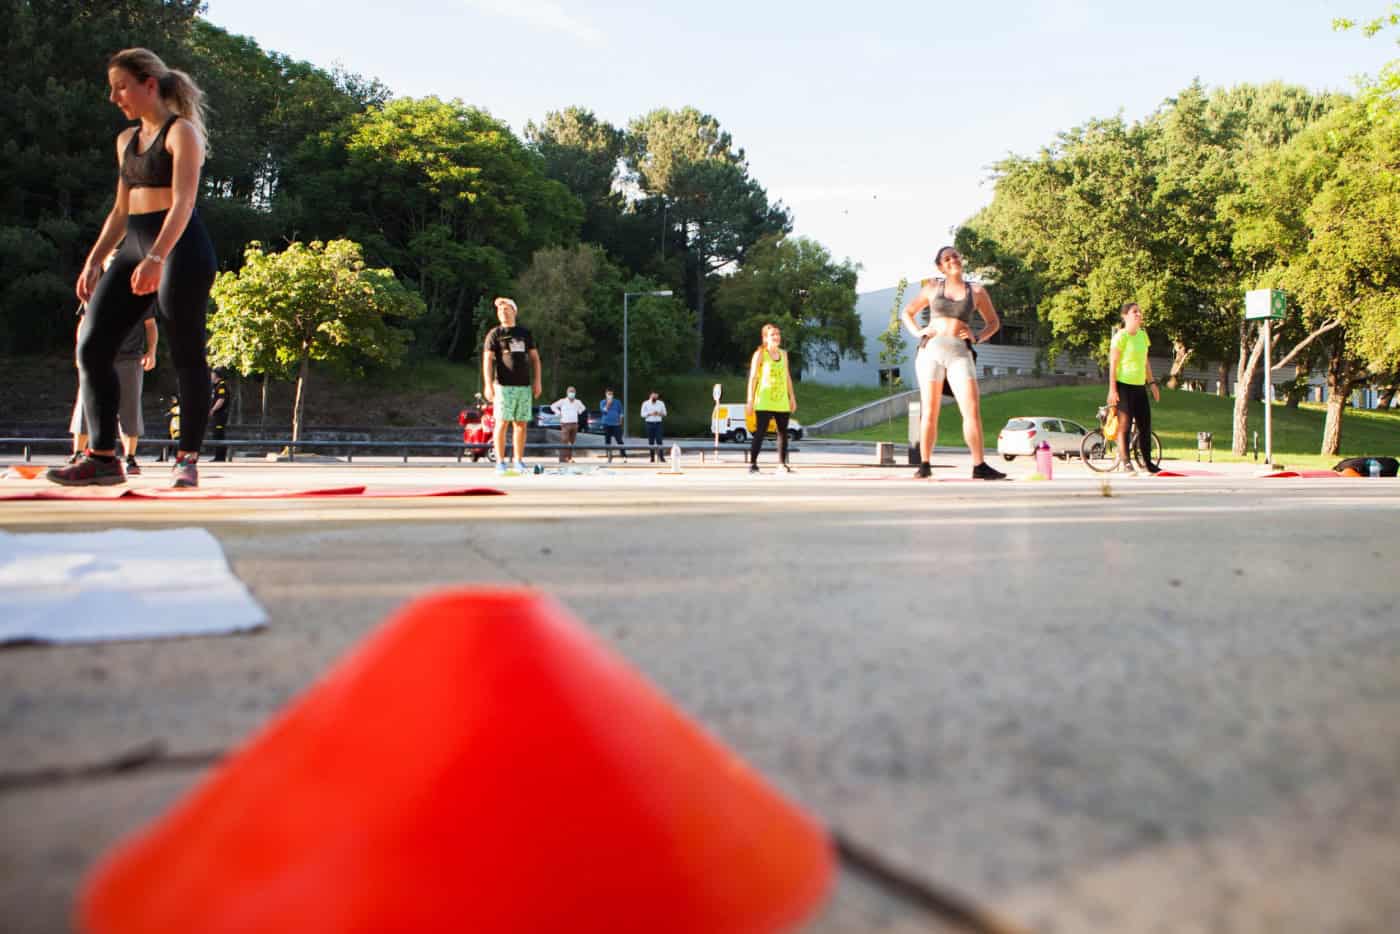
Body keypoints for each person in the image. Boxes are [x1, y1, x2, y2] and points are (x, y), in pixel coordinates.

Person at [46, 48, 217, 489]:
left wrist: (157, 257)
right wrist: (93, 261)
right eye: (112, 88)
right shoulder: (126, 140)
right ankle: (103, 456)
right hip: (133, 243)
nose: (114, 97)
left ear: (149, 85)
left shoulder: (182, 134)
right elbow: (122, 210)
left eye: (121, 86)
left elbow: (184, 203)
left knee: (186, 353)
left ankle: (187, 457)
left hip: (179, 247)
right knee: (92, 344)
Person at [901, 246, 1006, 480]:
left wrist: (977, 337)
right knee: (930, 410)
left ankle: (979, 465)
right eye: (947, 259)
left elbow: (993, 323)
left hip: (959, 353)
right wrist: (918, 331)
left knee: (971, 409)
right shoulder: (932, 288)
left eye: (955, 256)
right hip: (931, 352)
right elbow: (907, 313)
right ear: (940, 266)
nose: (953, 260)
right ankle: (925, 463)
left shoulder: (976, 291)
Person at [68, 299, 157, 476]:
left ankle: (130, 457)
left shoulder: (140, 292)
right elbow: (84, 323)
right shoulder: (95, 290)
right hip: (96, 357)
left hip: (130, 357)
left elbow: (150, 324)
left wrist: (151, 351)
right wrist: (81, 351)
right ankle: (78, 453)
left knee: (129, 408)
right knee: (86, 404)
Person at [482, 297, 541, 475]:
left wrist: (537, 381)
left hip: (523, 385)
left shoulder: (524, 333)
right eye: (500, 310)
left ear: (514, 311)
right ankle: (500, 462)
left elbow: (535, 359)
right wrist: (488, 384)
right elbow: (487, 360)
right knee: (501, 423)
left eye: (506, 309)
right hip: (503, 386)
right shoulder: (495, 334)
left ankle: (519, 460)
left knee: (521, 424)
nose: (503, 313)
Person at [1106, 301, 1161, 474]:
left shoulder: (1143, 336)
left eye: (1139, 312)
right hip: (1123, 386)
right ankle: (1126, 462)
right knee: (1125, 425)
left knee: (1145, 425)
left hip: (1139, 386)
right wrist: (1112, 390)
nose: (1138, 314)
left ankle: (1147, 462)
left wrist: (1152, 384)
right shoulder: (1120, 337)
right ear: (1125, 316)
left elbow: (1145, 362)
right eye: (1134, 312)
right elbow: (1113, 365)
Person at [746, 323, 798, 474]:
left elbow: (787, 376)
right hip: (764, 400)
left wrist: (792, 397)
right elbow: (754, 378)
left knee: (783, 432)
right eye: (772, 335)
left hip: (781, 400)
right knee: (760, 432)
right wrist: (750, 400)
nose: (776, 337)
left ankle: (782, 464)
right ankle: (753, 464)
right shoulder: (760, 354)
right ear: (765, 338)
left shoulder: (784, 354)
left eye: (778, 334)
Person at [550, 386, 587, 462]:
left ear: (575, 393)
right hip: (565, 424)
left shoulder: (578, 402)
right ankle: (562, 459)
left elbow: (583, 408)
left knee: (571, 442)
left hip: (574, 424)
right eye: (570, 392)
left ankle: (569, 458)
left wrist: (579, 411)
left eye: (573, 392)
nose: (572, 393)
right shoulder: (562, 401)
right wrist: (558, 412)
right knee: (564, 441)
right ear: (567, 393)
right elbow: (552, 406)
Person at [207, 369, 229, 461]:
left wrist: (213, 409)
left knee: (219, 434)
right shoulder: (215, 386)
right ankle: (218, 456)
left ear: (216, 375)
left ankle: (220, 456)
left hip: (220, 415)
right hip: (217, 415)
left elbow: (221, 399)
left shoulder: (221, 386)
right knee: (216, 434)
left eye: (212, 374)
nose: (211, 376)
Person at [640, 391, 667, 462]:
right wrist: (650, 414)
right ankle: (652, 458)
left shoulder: (661, 403)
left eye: (656, 396)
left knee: (659, 440)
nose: (655, 397)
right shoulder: (645, 403)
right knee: (651, 441)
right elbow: (642, 414)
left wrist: (659, 413)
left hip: (658, 423)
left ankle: (661, 457)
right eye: (653, 396)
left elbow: (665, 413)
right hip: (649, 423)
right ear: (650, 396)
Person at [598, 388, 625, 461]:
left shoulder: (617, 402)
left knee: (619, 440)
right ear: (606, 394)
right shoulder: (602, 402)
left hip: (616, 424)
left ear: (613, 394)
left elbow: (621, 412)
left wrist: (621, 421)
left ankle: (623, 455)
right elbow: (603, 412)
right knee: (607, 440)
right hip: (606, 423)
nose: (610, 395)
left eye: (611, 394)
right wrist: (608, 404)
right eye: (608, 394)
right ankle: (609, 456)